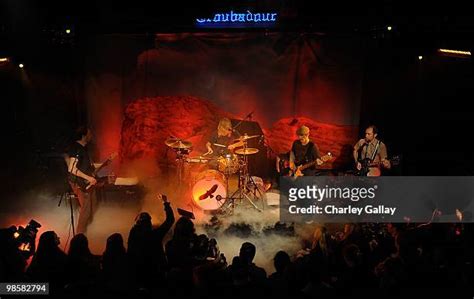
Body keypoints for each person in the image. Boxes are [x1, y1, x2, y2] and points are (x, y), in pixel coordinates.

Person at [66, 126, 99, 234]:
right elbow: (71, 169)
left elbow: (86, 167)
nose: (91, 136)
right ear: (84, 135)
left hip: (85, 182)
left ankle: (87, 231)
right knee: (86, 210)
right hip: (78, 182)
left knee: (92, 206)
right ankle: (79, 236)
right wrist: (89, 178)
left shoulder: (84, 149)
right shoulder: (77, 148)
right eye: (89, 134)